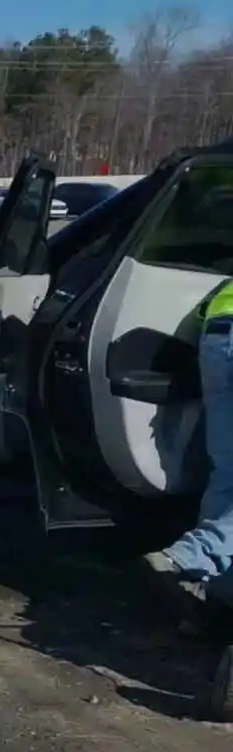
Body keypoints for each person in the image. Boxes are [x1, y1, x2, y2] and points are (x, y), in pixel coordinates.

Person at [144, 181, 233, 606]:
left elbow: (206, 307)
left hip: (218, 336)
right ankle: (192, 554)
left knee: (227, 475)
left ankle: (208, 596)